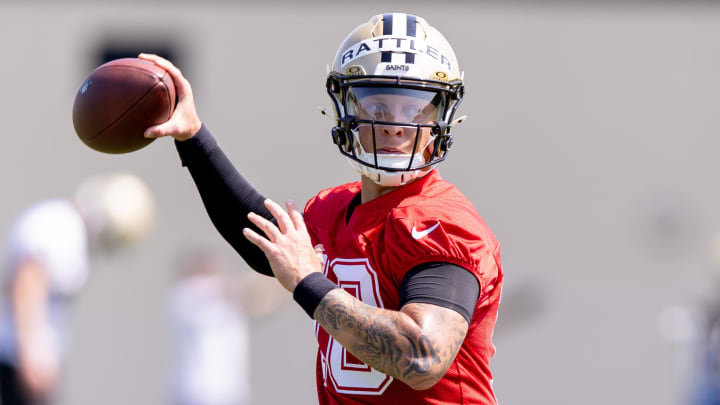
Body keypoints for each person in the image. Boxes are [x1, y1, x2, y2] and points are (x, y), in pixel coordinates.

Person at [141, 12, 503, 404]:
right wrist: (193, 136)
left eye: (416, 109)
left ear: (442, 119)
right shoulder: (333, 209)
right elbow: (265, 245)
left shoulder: (441, 223)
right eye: (377, 105)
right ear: (346, 109)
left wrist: (309, 283)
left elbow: (422, 356)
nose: (396, 125)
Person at [0, 173, 155, 405]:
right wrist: (31, 356)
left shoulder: (63, 224)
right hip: (17, 359)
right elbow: (27, 283)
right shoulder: (63, 228)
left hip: (28, 358)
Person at [168, 249, 288, 405]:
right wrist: (286, 267)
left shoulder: (227, 301)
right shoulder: (187, 293)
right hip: (197, 392)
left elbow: (263, 302)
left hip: (229, 391)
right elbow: (248, 288)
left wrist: (297, 285)